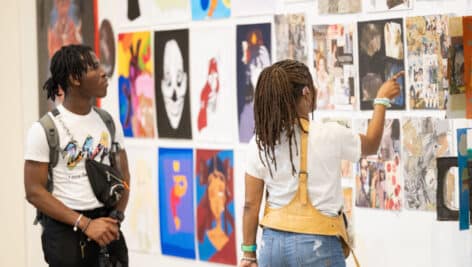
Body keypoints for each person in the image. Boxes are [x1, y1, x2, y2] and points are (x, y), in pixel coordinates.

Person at [239, 59, 402, 267]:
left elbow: (250, 205)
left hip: (272, 246)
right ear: (306, 93)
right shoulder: (329, 134)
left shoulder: (262, 142)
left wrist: (248, 254)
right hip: (317, 243)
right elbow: (370, 144)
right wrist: (380, 101)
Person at [24, 44, 130, 267]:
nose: (103, 72)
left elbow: (124, 176)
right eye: (94, 67)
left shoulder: (108, 122)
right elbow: (34, 192)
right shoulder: (45, 129)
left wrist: (115, 219)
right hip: (66, 233)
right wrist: (85, 224)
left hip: (107, 228)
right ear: (74, 78)